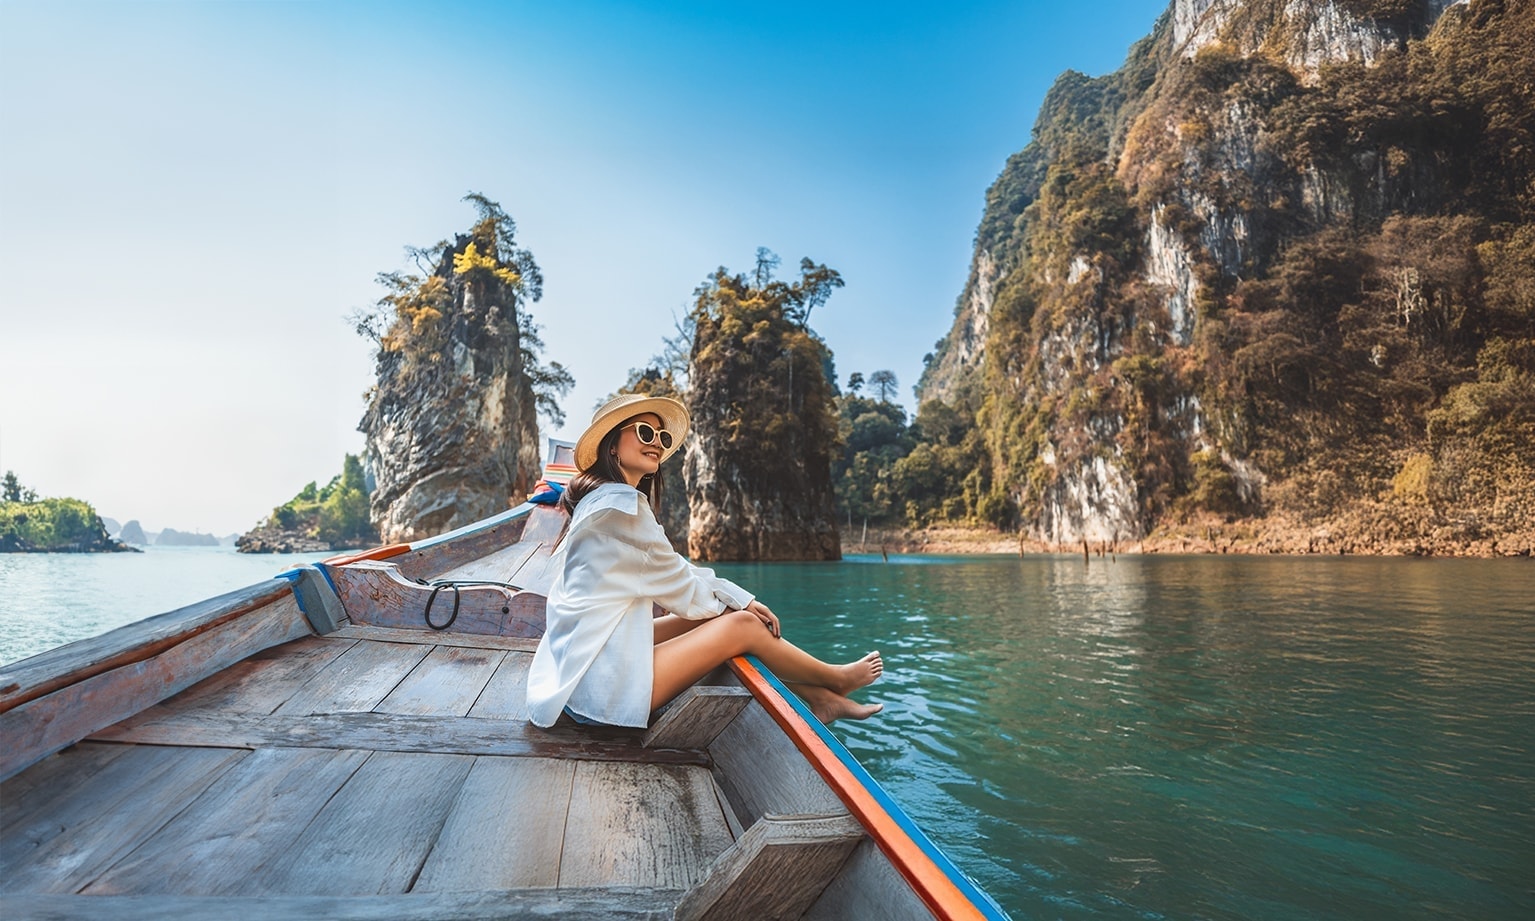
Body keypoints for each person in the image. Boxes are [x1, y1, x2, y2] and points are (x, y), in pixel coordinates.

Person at [526, 393, 882, 729]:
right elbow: (683, 589)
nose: (656, 443)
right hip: (600, 695)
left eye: (662, 437)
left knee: (726, 611)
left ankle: (818, 697)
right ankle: (836, 678)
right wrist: (742, 603)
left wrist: (738, 598)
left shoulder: (599, 501)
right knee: (742, 625)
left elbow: (675, 568)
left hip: (578, 673)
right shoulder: (622, 509)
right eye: (645, 432)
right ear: (613, 445)